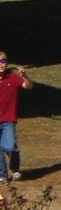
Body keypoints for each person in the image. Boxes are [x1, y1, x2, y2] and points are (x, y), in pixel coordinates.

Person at [0, 53, 34, 182]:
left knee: (10, 147)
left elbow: (28, 86)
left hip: (8, 120)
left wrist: (24, 76)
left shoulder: (12, 78)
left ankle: (15, 168)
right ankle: (2, 175)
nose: (1, 64)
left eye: (3, 61)